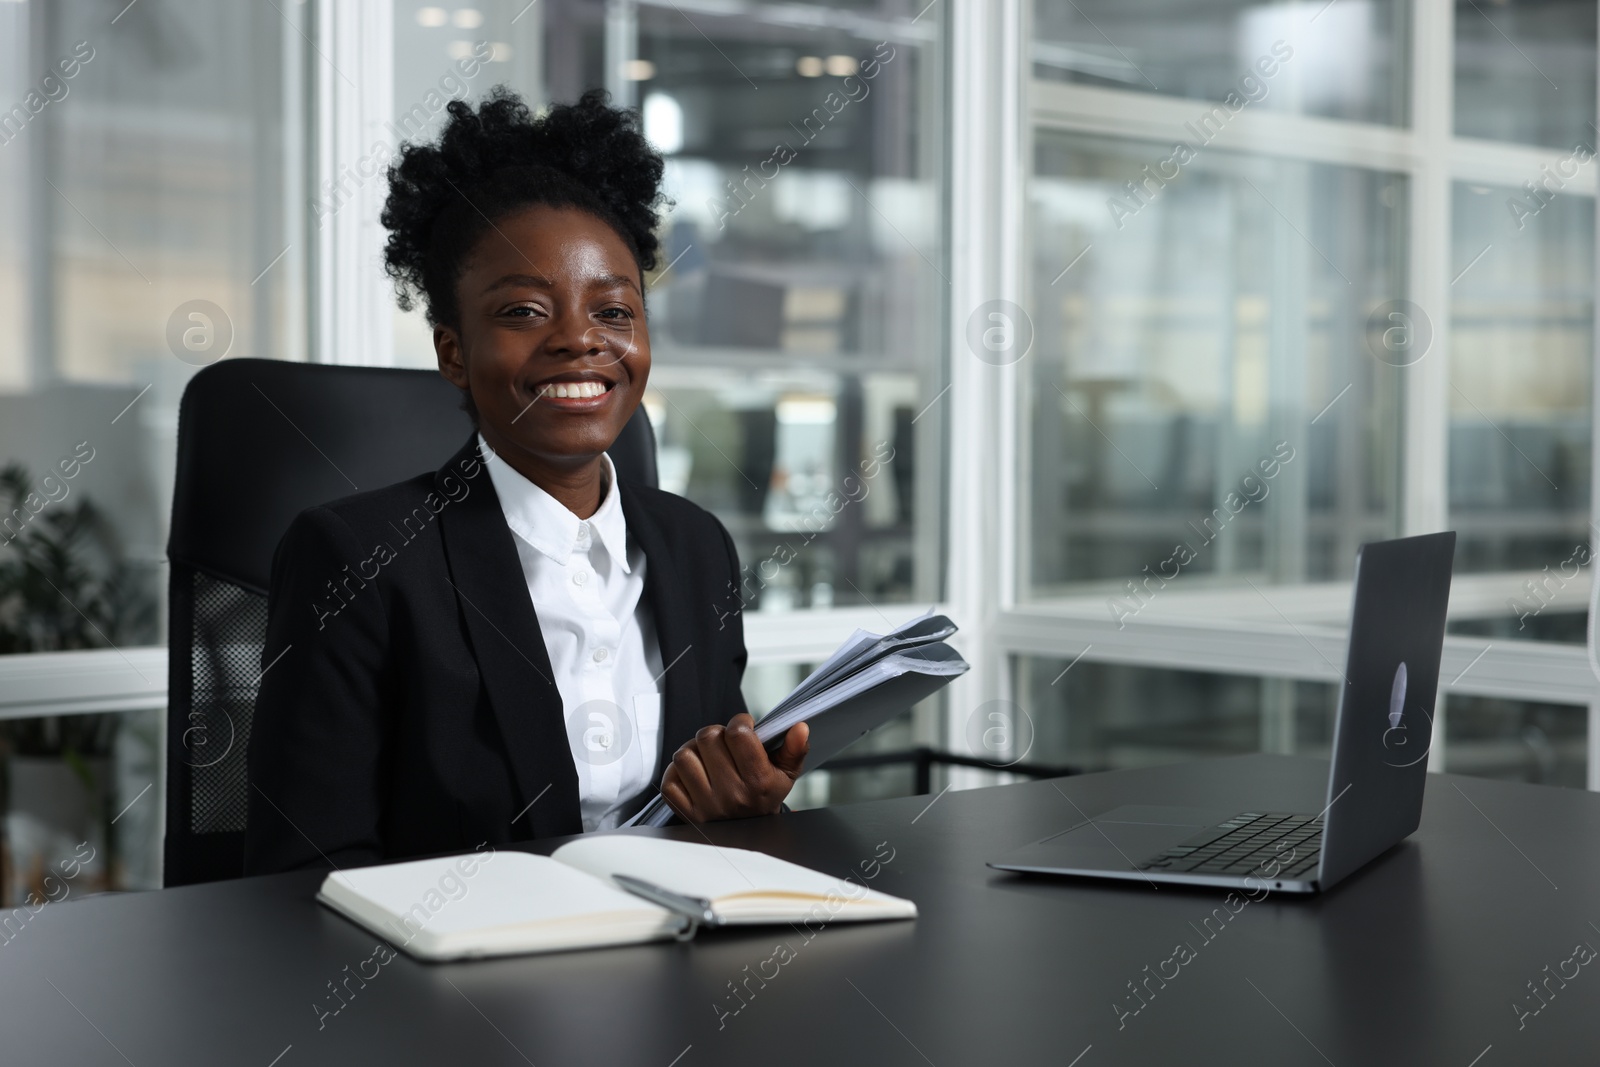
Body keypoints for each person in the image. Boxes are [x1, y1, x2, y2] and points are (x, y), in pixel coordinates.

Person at [244, 88, 808, 874]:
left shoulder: (695, 547)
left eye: (614, 313)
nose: (580, 340)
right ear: (453, 354)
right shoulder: (359, 560)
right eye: (522, 311)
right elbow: (304, 878)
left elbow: (707, 817)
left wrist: (741, 805)